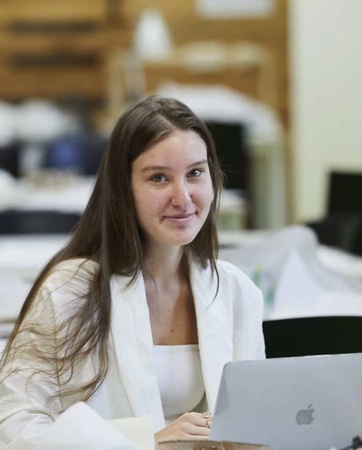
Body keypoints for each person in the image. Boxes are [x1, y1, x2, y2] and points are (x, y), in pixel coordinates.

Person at [0, 96, 265, 448]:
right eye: (159, 178)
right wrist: (145, 442)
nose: (183, 197)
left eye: (195, 173)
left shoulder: (234, 289)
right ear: (123, 190)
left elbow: (255, 421)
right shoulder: (71, 289)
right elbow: (15, 422)